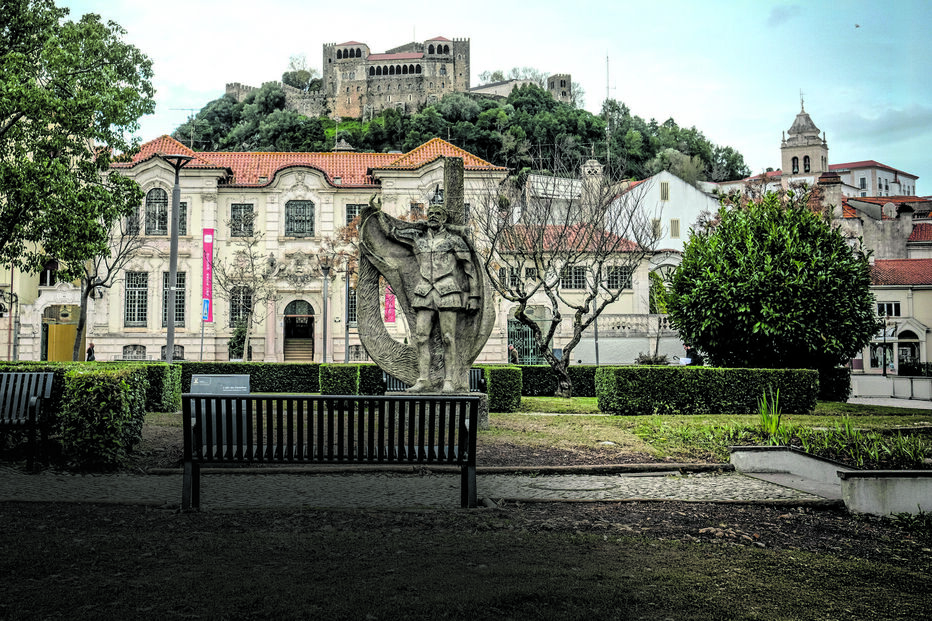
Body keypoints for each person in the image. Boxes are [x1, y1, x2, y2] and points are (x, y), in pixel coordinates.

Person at [390, 203, 480, 392]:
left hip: (447, 290)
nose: (433, 216)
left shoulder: (454, 240)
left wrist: (474, 295)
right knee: (421, 337)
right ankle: (423, 379)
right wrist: (377, 213)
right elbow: (394, 232)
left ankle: (449, 380)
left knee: (448, 337)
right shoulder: (419, 240)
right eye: (430, 213)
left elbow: (469, 267)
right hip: (424, 291)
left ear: (445, 218)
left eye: (437, 214)